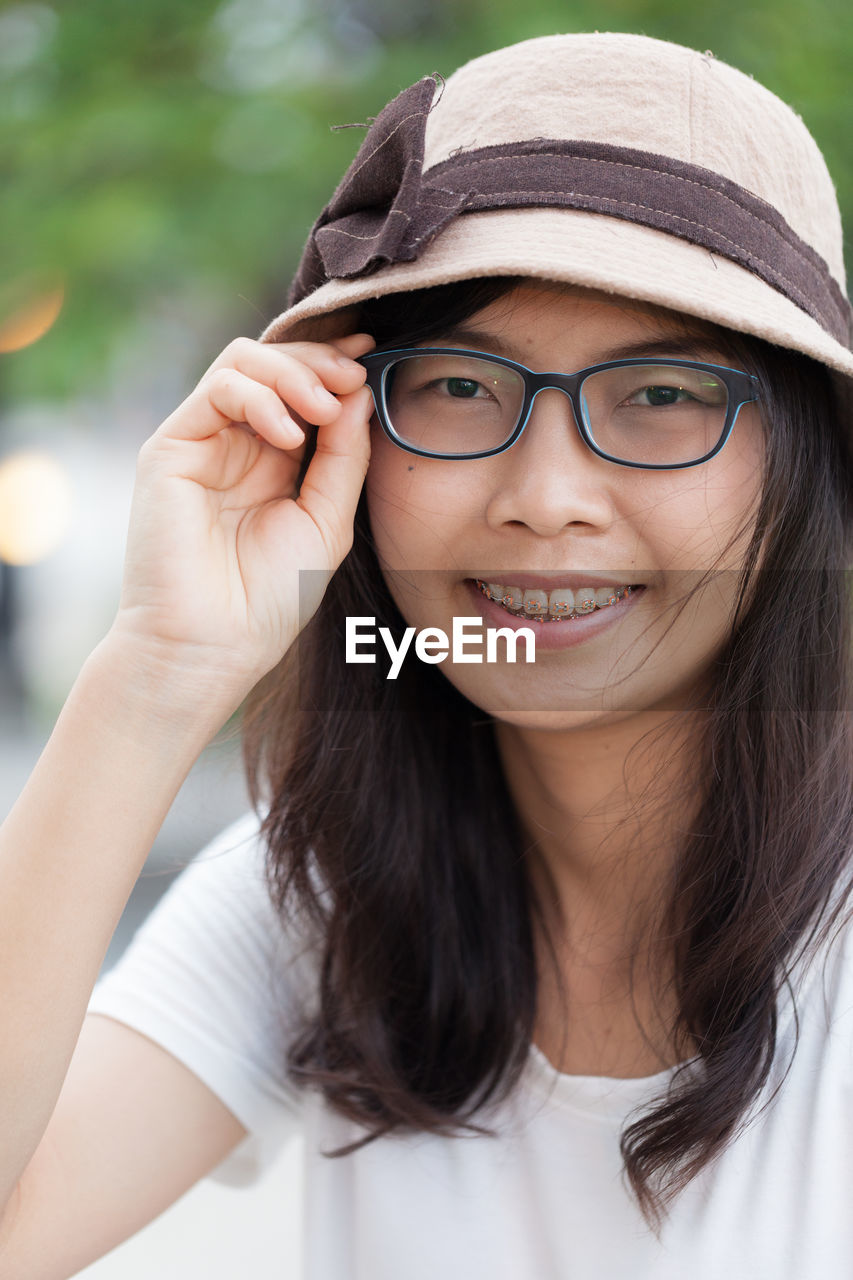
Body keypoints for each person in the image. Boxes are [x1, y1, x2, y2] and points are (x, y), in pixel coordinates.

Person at [1, 29, 852, 1279]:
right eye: (458, 385)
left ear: (802, 470)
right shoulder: (327, 891)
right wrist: (156, 673)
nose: (547, 496)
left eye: (662, 394)